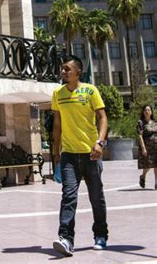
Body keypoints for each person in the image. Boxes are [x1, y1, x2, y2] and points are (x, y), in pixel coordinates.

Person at [51, 56, 108, 257]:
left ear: (78, 72)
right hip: (68, 154)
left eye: (67, 69)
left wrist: (100, 143)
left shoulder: (91, 91)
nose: (63, 72)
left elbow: (103, 118)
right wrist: (55, 155)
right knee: (68, 196)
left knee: (96, 197)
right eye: (62, 69)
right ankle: (66, 239)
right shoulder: (57, 94)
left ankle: (101, 235)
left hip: (91, 154)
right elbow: (57, 126)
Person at [137, 104, 157, 189]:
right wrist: (143, 148)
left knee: (156, 164)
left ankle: (156, 183)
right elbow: (140, 136)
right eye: (145, 110)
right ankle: (143, 176)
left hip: (156, 147)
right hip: (147, 147)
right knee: (148, 165)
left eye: (149, 110)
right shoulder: (141, 123)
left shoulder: (155, 122)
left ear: (151, 112)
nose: (147, 111)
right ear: (143, 112)